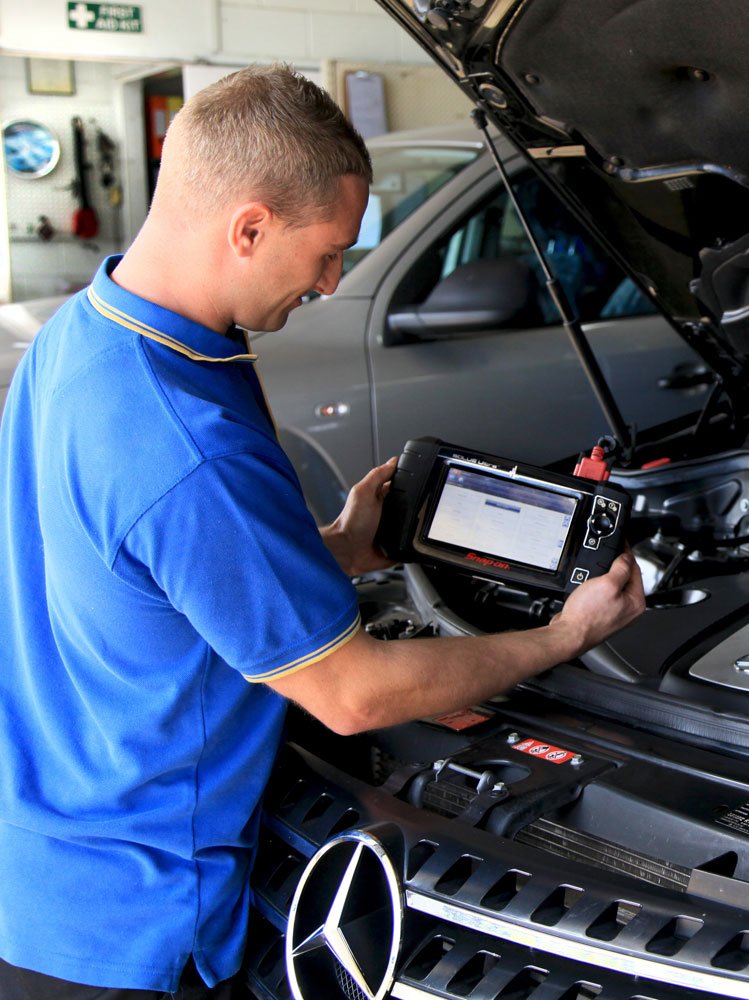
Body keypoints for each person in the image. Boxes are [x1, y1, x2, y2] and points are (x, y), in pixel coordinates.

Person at [0, 65, 644, 999]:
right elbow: (352, 696)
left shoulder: (84, 335)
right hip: (129, 916)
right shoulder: (187, 443)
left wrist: (339, 547)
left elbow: (139, 574)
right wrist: (568, 632)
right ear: (249, 226)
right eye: (329, 252)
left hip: (41, 855)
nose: (335, 280)